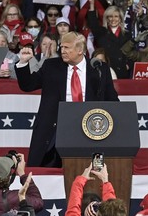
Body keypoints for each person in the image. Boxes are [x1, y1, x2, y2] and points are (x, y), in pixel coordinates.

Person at [16, 32, 118, 167]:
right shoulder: (51, 66)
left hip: (89, 128)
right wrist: (23, 63)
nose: (62, 51)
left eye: (67, 48)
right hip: (56, 130)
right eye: (61, 47)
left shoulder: (99, 69)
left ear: (80, 50)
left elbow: (111, 99)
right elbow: (28, 85)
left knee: (90, 171)